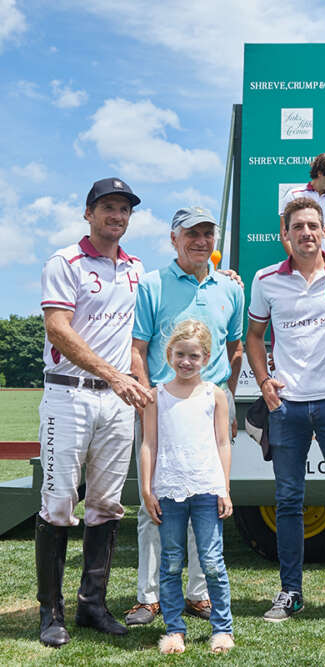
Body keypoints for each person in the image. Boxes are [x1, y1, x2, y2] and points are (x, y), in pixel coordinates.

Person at [36, 177, 154, 647]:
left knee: (106, 504)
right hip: (70, 395)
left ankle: (92, 606)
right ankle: (51, 613)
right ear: (89, 213)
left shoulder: (136, 268)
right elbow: (58, 329)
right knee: (59, 503)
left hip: (116, 399)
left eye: (124, 209)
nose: (117, 216)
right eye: (108, 207)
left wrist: (218, 272)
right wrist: (114, 375)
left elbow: (141, 324)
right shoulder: (64, 262)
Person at [246, 197, 325, 622]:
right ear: (285, 235)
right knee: (288, 500)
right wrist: (264, 382)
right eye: (298, 227)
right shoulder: (265, 279)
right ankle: (290, 591)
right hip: (287, 405)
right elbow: (254, 337)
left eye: (314, 226)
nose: (307, 233)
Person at [127, 207, 244, 626]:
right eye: (191, 234)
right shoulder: (152, 284)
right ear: (174, 238)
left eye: (208, 234)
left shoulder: (230, 288)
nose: (200, 241)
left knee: (207, 503)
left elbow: (235, 348)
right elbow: (138, 348)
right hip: (162, 406)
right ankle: (149, 597)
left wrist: (223, 401)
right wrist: (145, 397)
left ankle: (198, 594)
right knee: (154, 506)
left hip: (208, 407)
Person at [138, 320, 235, 656]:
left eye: (194, 355)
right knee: (171, 562)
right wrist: (148, 490)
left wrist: (224, 488)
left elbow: (223, 442)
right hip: (169, 489)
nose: (186, 361)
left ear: (205, 357)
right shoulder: (156, 396)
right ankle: (174, 630)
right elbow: (148, 444)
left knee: (212, 561)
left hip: (207, 488)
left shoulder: (215, 395)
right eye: (180, 354)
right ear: (169, 354)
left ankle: (223, 629)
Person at [278, 153, 325, 259]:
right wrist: (296, 260)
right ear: (320, 173)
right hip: (301, 260)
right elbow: (285, 231)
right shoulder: (294, 195)